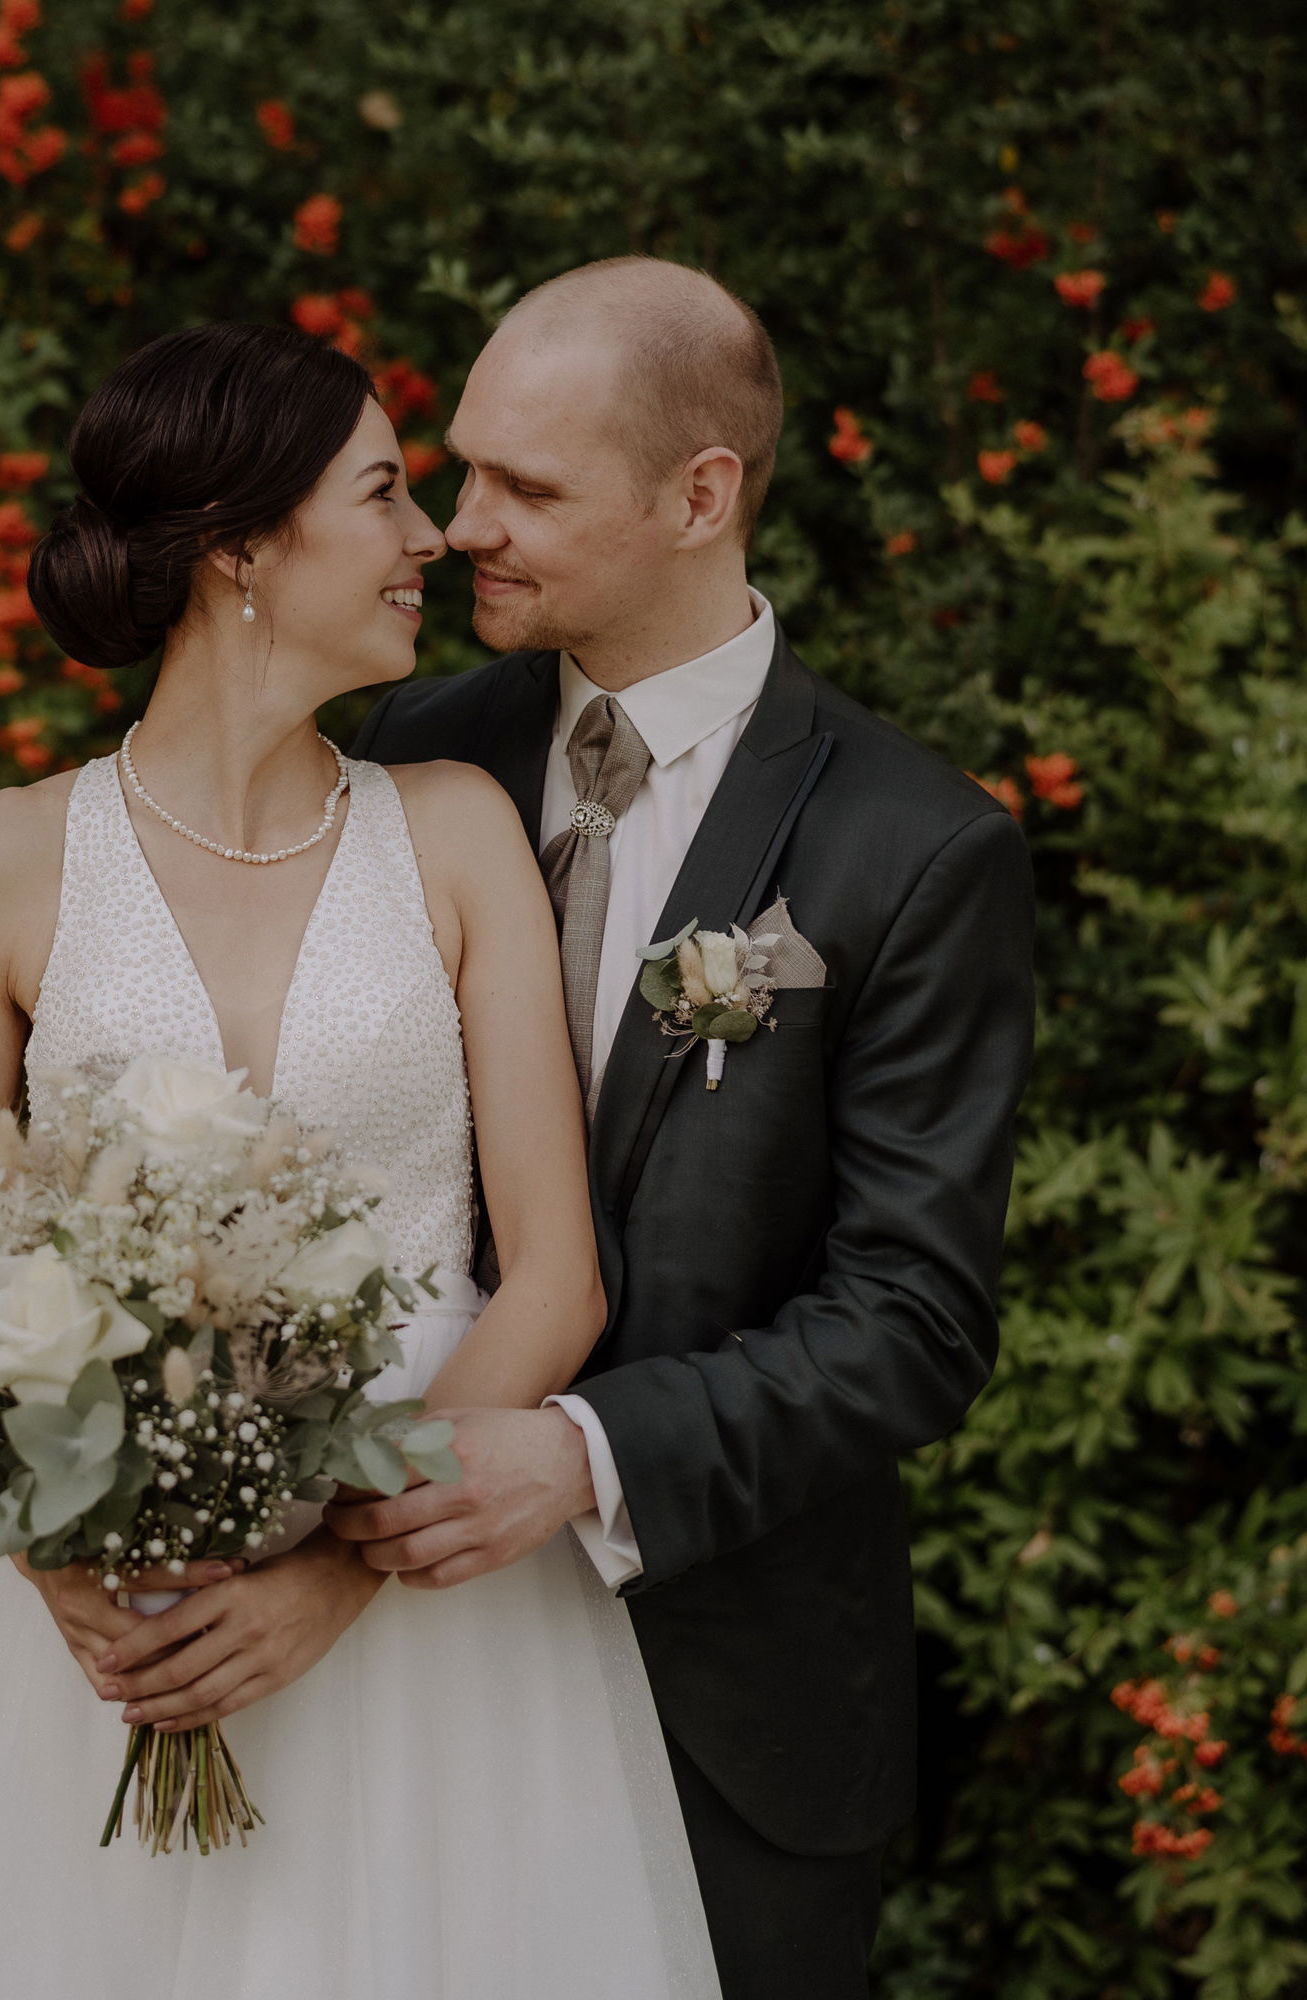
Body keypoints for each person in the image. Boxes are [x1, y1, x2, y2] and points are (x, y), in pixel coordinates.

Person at [0, 320, 721, 2000]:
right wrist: (59, 1558)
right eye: (386, 494)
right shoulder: (10, 859)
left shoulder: (453, 828)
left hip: (437, 1601)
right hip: (119, 1626)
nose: (430, 538)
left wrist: (338, 1565)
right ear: (242, 548)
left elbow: (555, 1275)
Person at [328, 257, 1037, 1998]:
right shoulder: (408, 761)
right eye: (461, 468)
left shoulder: (914, 849)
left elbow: (916, 1321)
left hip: (727, 1697)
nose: (458, 526)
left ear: (699, 494)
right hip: (391, 1671)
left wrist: (581, 1450)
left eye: (527, 488)